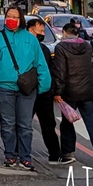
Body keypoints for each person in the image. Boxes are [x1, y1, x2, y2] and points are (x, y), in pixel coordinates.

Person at [0, 6, 51, 170]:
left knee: (25, 125)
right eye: (8, 16)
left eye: (15, 16)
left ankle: (26, 157)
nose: (11, 19)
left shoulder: (30, 39)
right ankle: (10, 155)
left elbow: (40, 63)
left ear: (21, 20)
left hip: (27, 88)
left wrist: (44, 85)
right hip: (3, 87)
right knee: (7, 123)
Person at [53, 22, 93, 166]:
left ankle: (68, 153)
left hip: (70, 91)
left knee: (67, 123)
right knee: (92, 123)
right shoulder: (86, 45)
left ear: (65, 32)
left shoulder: (61, 47)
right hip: (87, 90)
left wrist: (57, 91)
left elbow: (60, 71)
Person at [27, 17, 61, 163]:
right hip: (27, 91)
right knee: (24, 123)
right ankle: (20, 151)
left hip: (43, 92)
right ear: (31, 28)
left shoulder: (44, 48)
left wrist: (53, 90)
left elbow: (51, 70)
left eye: (44, 30)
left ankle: (55, 154)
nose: (42, 32)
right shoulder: (24, 46)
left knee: (48, 124)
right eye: (40, 29)